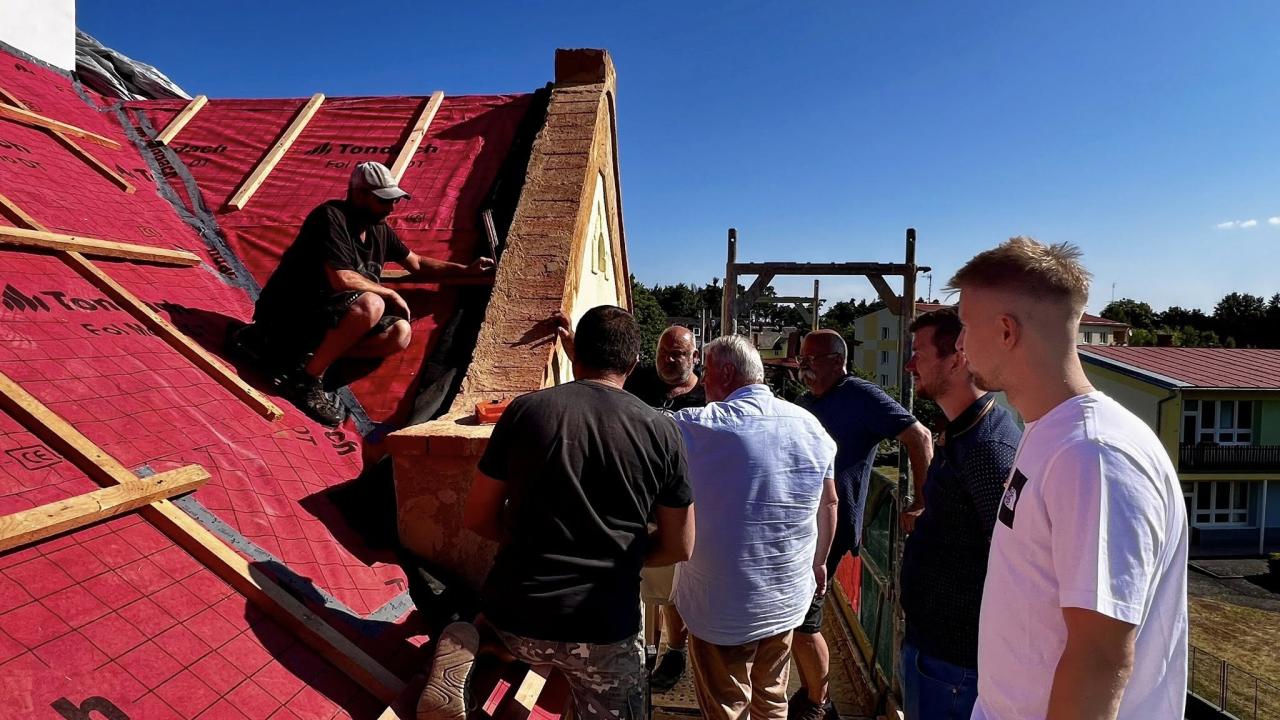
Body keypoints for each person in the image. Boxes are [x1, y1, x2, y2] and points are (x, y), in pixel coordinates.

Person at [951, 237, 1188, 719]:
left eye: (965, 326)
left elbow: (1099, 657)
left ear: (1005, 331)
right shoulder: (1050, 433)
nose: (958, 344)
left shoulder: (1091, 454)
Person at [461, 305, 695, 719]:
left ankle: (464, 646)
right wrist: (621, 555)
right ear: (632, 363)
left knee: (479, 627)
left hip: (516, 617)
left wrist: (532, 544)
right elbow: (680, 545)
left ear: (576, 354)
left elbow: (478, 517)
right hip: (604, 629)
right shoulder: (662, 431)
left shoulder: (524, 411)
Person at [232, 161, 494, 426]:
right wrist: (389, 293)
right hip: (291, 313)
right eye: (384, 201)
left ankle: (300, 358)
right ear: (359, 194)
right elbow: (341, 278)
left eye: (394, 201)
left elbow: (416, 263)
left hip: (328, 322)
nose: (391, 208)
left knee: (399, 334)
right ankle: (304, 381)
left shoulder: (379, 229)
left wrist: (466, 270)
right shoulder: (329, 218)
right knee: (372, 304)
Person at [670, 335, 838, 720]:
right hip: (785, 597)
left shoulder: (698, 425)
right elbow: (829, 502)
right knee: (772, 695)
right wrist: (819, 563)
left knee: (726, 706)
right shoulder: (811, 427)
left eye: (707, 371)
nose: (702, 380)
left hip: (722, 606)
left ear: (727, 372)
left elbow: (631, 425)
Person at [790, 329, 933, 720]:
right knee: (795, 614)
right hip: (803, 525)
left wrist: (922, 502)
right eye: (802, 360)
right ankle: (811, 693)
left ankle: (819, 704)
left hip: (831, 526)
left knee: (803, 619)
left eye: (813, 360)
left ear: (838, 361)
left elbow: (919, 436)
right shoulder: (807, 400)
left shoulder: (860, 395)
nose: (804, 368)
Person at [897, 307, 1021, 720]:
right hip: (939, 653)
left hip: (955, 665)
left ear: (957, 358)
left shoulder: (988, 449)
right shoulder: (966, 433)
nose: (910, 365)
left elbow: (1010, 561)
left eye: (919, 353)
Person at [626, 324, 705, 693]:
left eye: (678, 354)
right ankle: (639, 652)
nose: (669, 360)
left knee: (678, 588)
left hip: (684, 506)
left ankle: (675, 650)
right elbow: (602, 370)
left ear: (694, 357)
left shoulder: (707, 396)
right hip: (638, 504)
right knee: (639, 581)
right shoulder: (639, 381)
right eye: (663, 353)